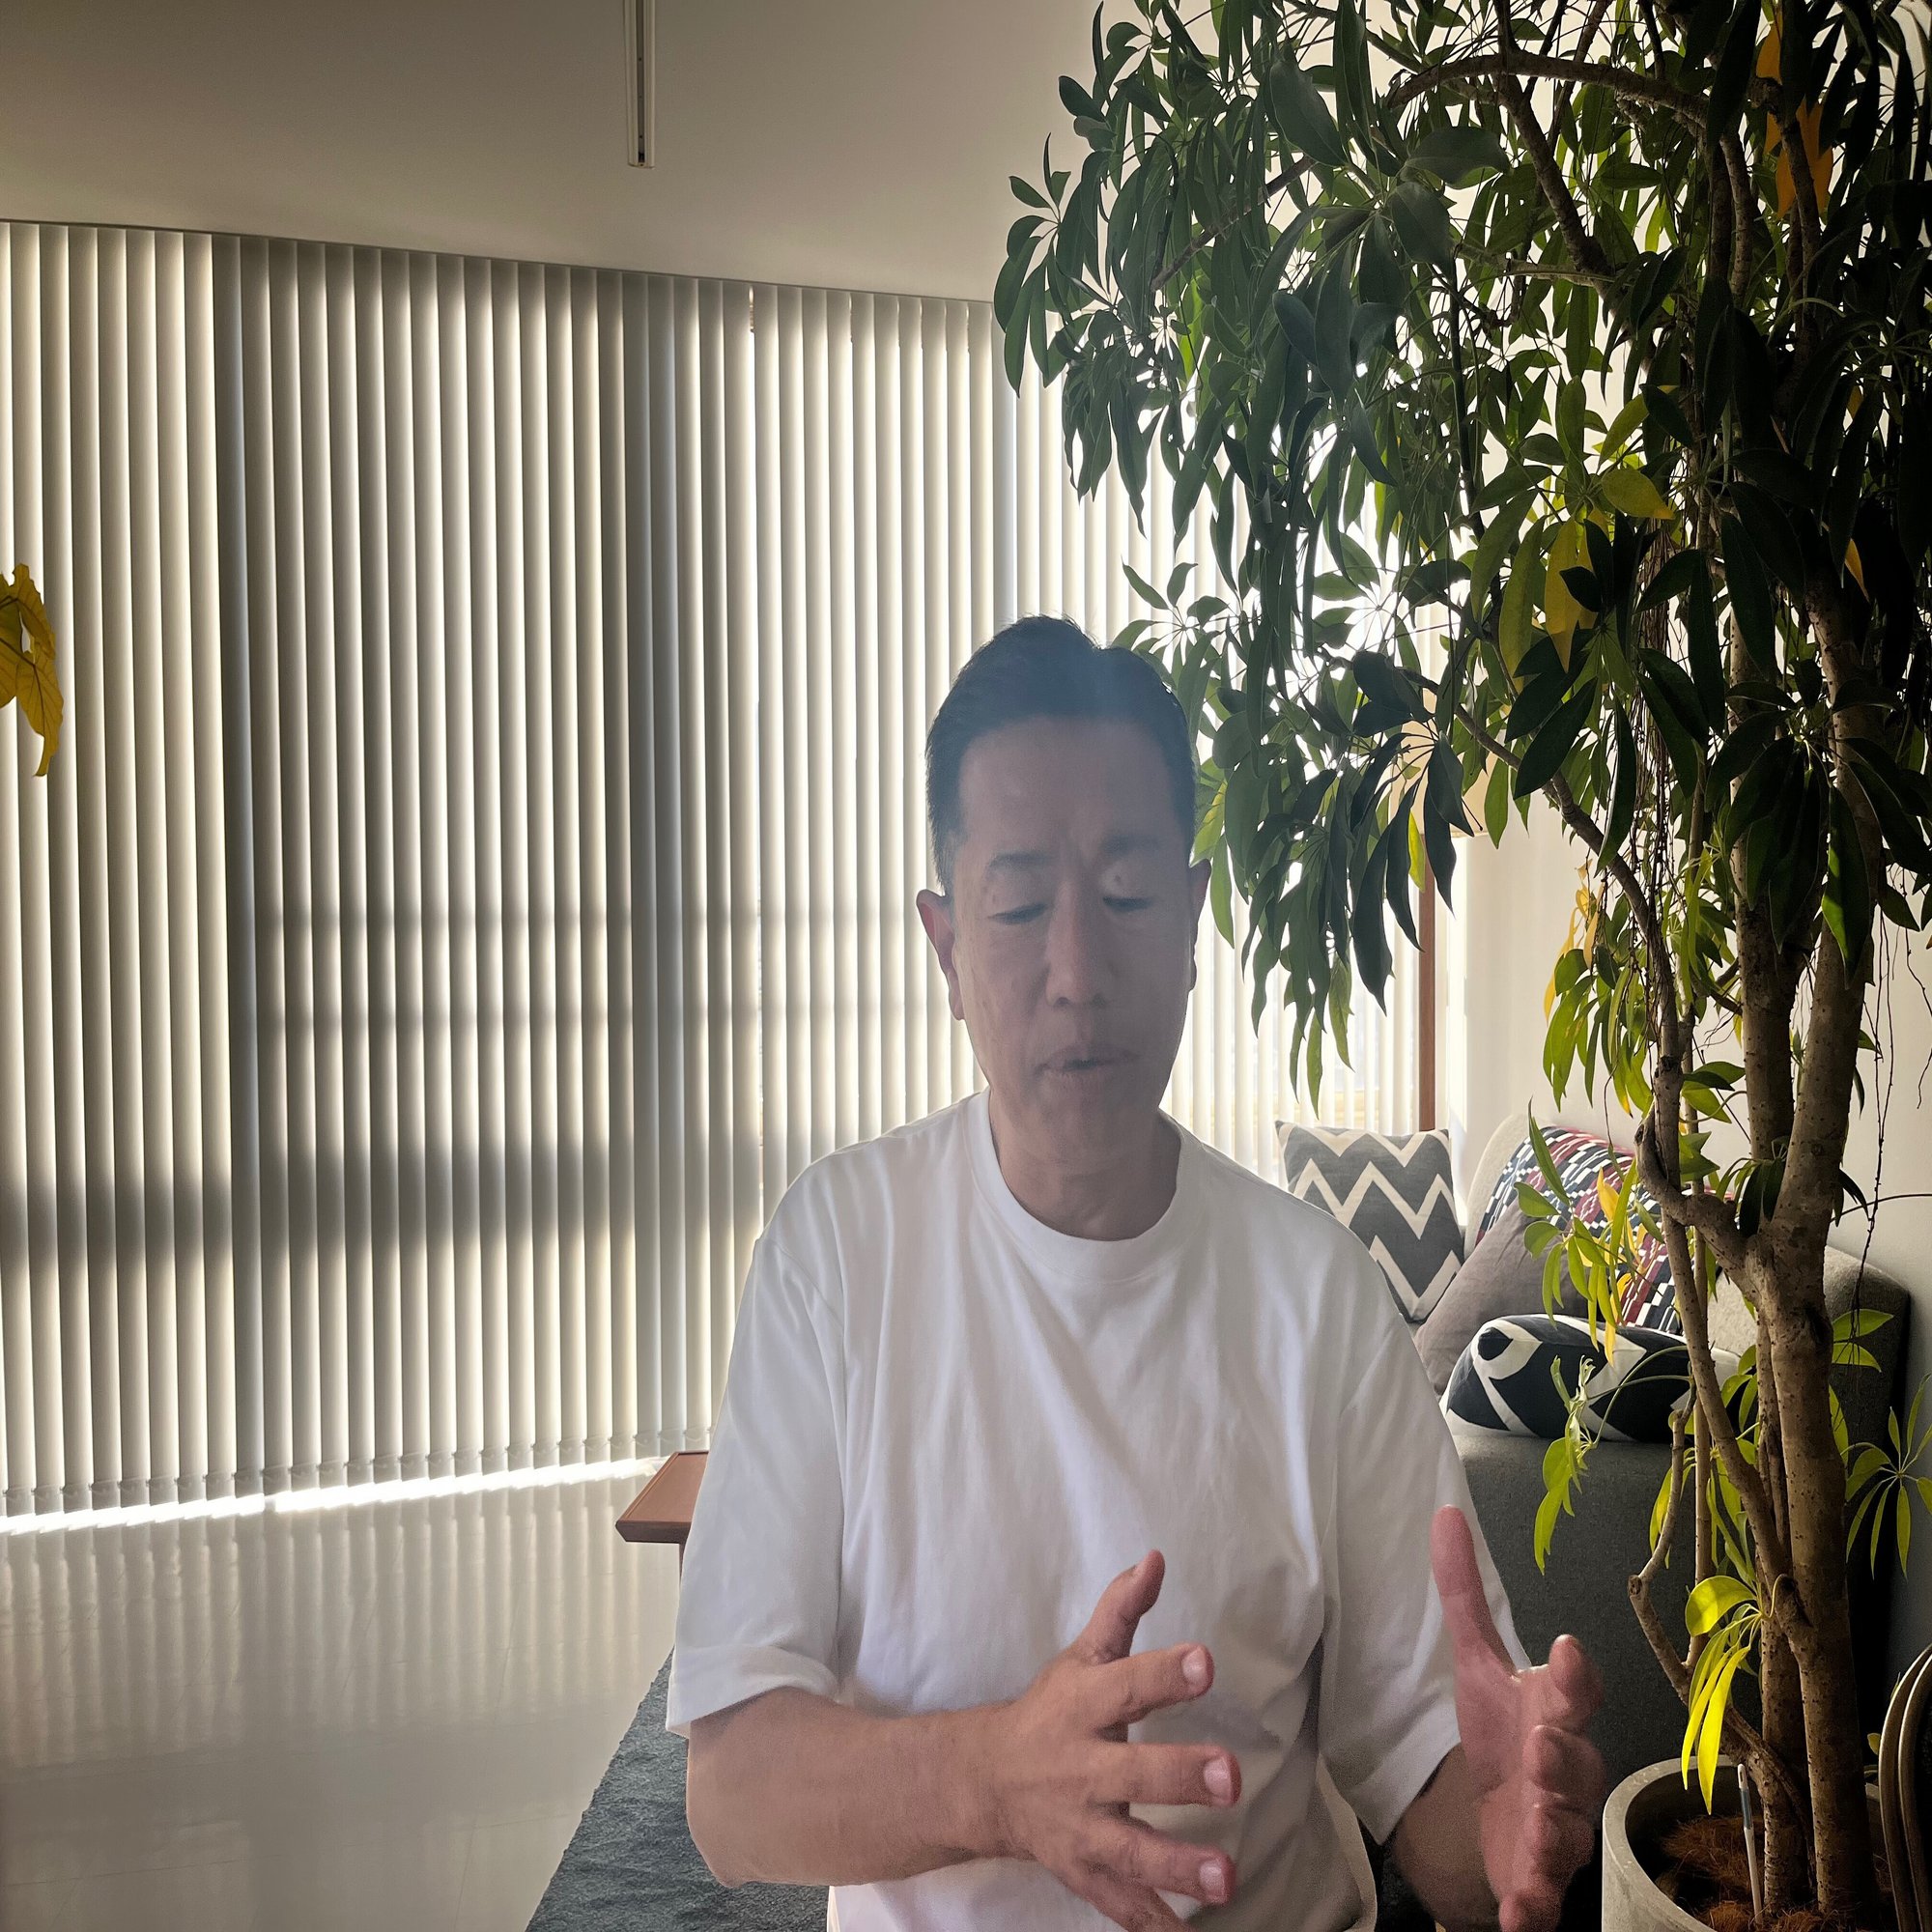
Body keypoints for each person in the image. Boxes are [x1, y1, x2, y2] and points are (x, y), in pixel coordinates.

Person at [668, 617, 1605, 1932]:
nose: (1077, 973)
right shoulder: (837, 1255)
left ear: (1192, 922)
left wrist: (1502, 1830)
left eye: (1124, 897)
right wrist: (999, 1782)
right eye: (1017, 907)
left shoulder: (1317, 1306)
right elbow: (734, 1791)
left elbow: (1441, 1811)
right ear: (945, 947)